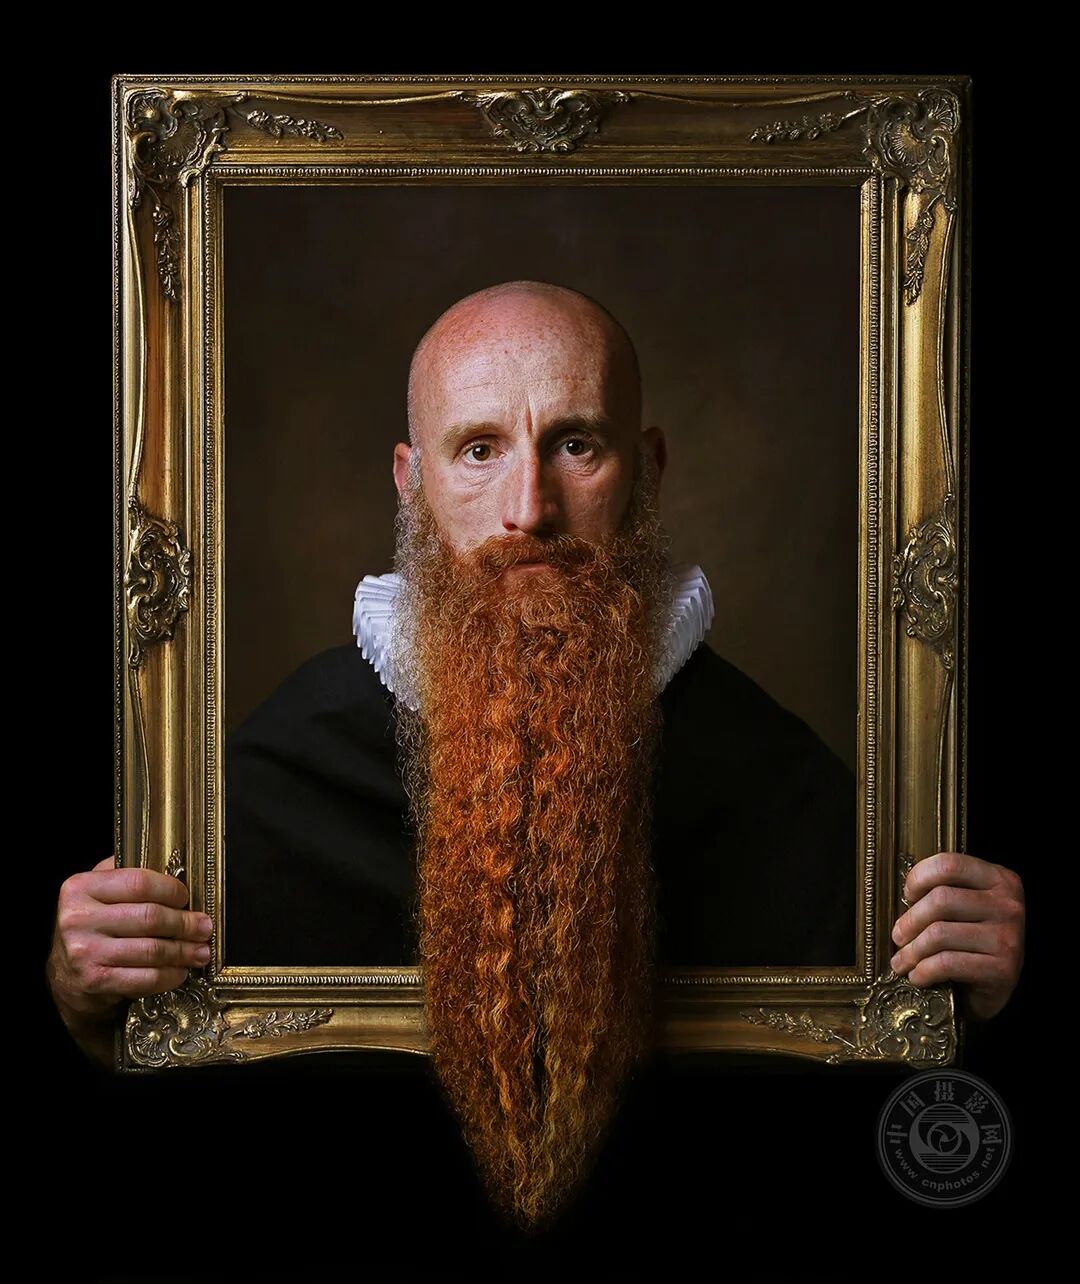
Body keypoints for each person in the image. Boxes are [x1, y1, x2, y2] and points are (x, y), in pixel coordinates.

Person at [46, 280, 1026, 1230]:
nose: (529, 508)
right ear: (412, 481)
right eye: (479, 449)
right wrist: (88, 1005)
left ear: (647, 467)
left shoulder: (790, 784)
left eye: (575, 444)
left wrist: (974, 1009)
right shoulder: (266, 774)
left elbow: (895, 1134)